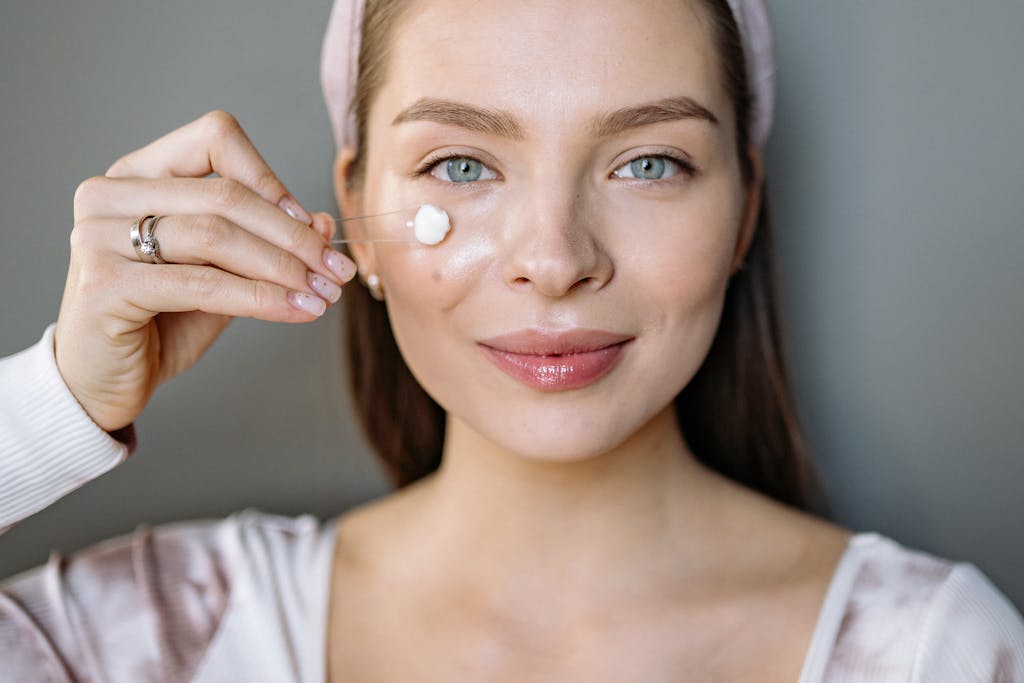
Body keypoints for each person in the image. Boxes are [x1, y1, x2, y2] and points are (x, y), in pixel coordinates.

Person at [1, 0, 1022, 680]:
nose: (554, 257)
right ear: (353, 200)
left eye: (650, 163)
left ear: (745, 209)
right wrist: (56, 400)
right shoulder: (149, 635)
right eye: (459, 164)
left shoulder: (931, 651)